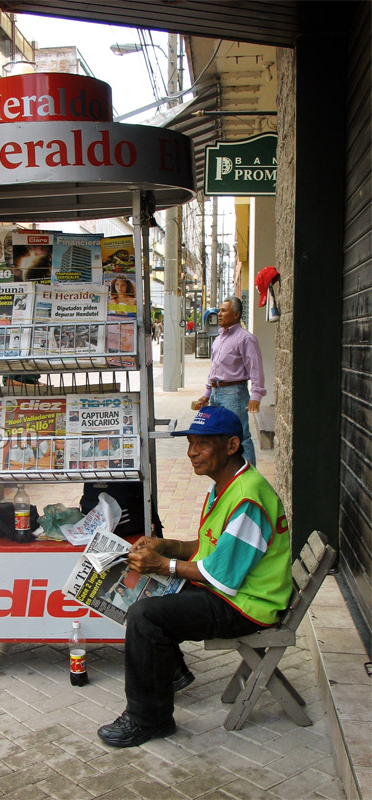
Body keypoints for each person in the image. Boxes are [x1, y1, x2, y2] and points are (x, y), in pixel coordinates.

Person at [97, 406, 291, 748]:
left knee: (145, 614)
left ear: (231, 445)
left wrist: (161, 565)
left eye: (202, 444)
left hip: (246, 604)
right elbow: (210, 548)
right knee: (145, 595)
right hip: (232, 592)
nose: (191, 452)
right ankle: (168, 671)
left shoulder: (248, 498)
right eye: (190, 443)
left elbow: (221, 578)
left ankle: (149, 719)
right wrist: (167, 546)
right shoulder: (228, 484)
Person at [193, 296, 265, 466]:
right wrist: (206, 395)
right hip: (217, 394)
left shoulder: (245, 338)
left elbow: (256, 369)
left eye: (224, 310)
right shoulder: (218, 340)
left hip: (234, 394)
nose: (219, 314)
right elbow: (214, 370)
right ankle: (230, 473)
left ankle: (249, 478)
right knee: (221, 435)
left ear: (236, 314)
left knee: (240, 436)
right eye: (219, 310)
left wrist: (256, 395)